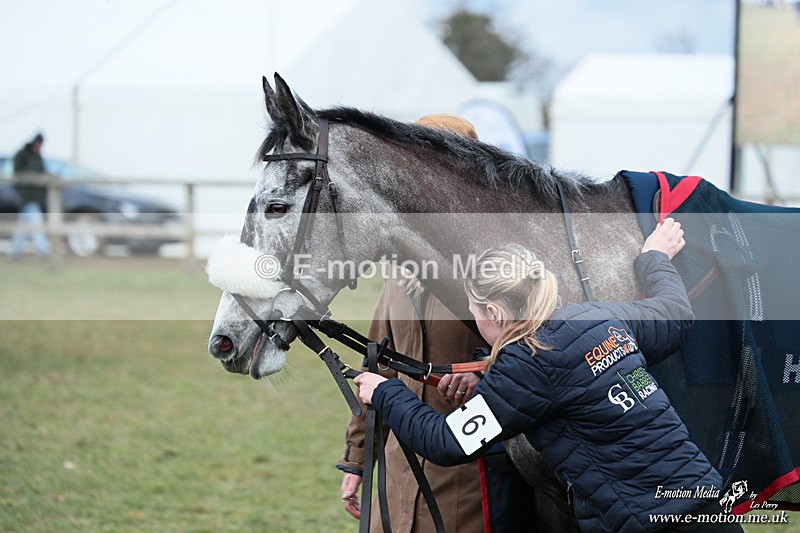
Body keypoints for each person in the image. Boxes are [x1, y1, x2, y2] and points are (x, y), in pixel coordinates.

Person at [355, 219, 743, 532]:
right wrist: (655, 257)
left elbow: (446, 442)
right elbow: (675, 313)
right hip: (706, 505)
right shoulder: (599, 317)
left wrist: (385, 391)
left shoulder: (526, 366)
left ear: (494, 313)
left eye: (474, 311)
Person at [337, 114, 536, 532]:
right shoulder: (398, 269)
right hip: (397, 474)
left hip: (472, 480)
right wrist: (357, 459)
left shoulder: (503, 267)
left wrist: (484, 371)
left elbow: (535, 356)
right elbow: (377, 365)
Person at [9, 133, 50, 259]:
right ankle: (43, 251)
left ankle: (15, 253)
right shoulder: (22, 155)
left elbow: (42, 172)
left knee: (22, 227)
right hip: (26, 196)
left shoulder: (38, 157)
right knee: (37, 224)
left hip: (35, 197)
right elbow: (18, 173)